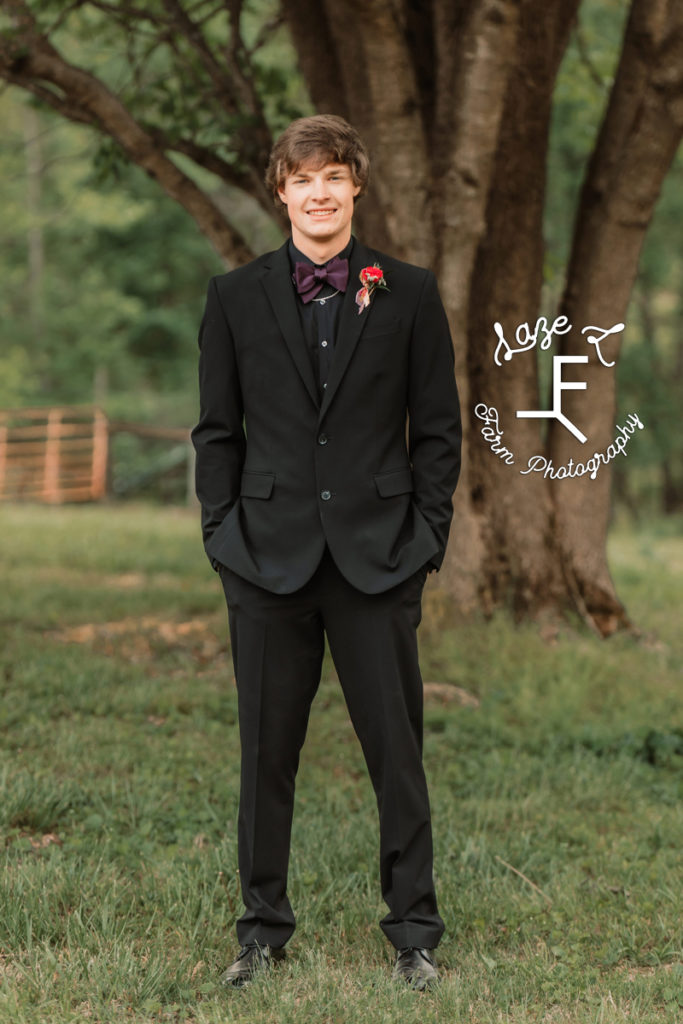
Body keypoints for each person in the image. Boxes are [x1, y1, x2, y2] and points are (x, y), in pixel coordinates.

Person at [191, 114, 461, 990]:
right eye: (302, 178)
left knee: (397, 752)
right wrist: (220, 538)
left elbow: (438, 431)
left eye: (334, 176)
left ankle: (413, 934)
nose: (318, 193)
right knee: (266, 754)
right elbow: (215, 433)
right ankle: (262, 933)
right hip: (262, 560)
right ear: (280, 191)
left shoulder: (409, 292)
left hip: (380, 558)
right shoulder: (233, 298)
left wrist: (426, 537)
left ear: (355, 188)